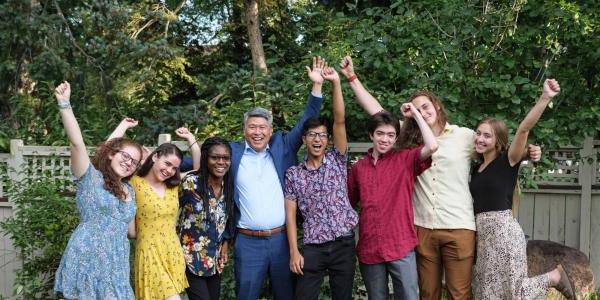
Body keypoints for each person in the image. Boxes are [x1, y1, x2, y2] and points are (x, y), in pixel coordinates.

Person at [339, 56, 541, 300]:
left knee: (459, 293)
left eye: (426, 106)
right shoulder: (408, 141)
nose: (423, 112)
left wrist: (528, 153)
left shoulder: (465, 136)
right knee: (428, 293)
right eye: (417, 109)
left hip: (459, 226)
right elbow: (377, 112)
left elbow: (496, 152)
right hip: (423, 228)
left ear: (436, 106)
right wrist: (352, 78)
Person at [180, 57, 325, 299]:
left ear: (270, 130)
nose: (257, 132)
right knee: (246, 295)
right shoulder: (233, 153)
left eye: (262, 127)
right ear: (244, 130)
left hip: (281, 239)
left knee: (285, 294)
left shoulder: (283, 146)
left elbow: (306, 121)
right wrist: (166, 164)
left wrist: (317, 87)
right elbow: (208, 159)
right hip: (247, 242)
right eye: (252, 127)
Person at [470, 79, 575, 299]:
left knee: (514, 292)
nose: (480, 138)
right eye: (478, 133)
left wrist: (545, 97)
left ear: (498, 140)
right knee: (484, 293)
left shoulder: (509, 159)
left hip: (505, 234)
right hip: (484, 238)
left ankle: (553, 277)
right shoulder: (475, 167)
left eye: (487, 135)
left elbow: (524, 128)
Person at [53, 81, 142, 300]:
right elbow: (77, 144)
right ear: (112, 154)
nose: (129, 163)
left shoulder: (129, 191)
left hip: (117, 266)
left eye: (135, 162)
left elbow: (131, 232)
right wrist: (65, 104)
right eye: (125, 156)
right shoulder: (91, 179)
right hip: (87, 257)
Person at [348, 104, 439, 299]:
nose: (385, 139)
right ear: (371, 135)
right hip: (370, 247)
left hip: (400, 244)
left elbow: (432, 146)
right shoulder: (358, 169)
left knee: (408, 296)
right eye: (380, 133)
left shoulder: (405, 159)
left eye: (391, 135)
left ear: (396, 138)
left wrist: (415, 114)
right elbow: (348, 203)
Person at [284, 66, 359, 300]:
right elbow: (290, 216)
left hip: (343, 243)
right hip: (313, 246)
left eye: (322, 135)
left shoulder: (337, 159)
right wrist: (294, 251)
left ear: (327, 139)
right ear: (304, 139)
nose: (318, 139)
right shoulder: (294, 174)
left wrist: (336, 82)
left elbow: (339, 120)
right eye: (312, 135)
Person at [109, 120, 199, 300]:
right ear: (156, 156)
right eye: (167, 164)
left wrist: (191, 138)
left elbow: (198, 170)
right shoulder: (133, 183)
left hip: (172, 253)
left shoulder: (174, 185)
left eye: (174, 168)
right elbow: (108, 155)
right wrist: (123, 127)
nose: (169, 170)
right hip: (149, 254)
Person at [178, 137, 234, 300]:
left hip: (214, 260)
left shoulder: (228, 186)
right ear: (205, 159)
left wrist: (225, 242)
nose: (221, 162)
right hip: (189, 258)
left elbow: (226, 221)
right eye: (215, 157)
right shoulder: (191, 183)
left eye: (225, 158)